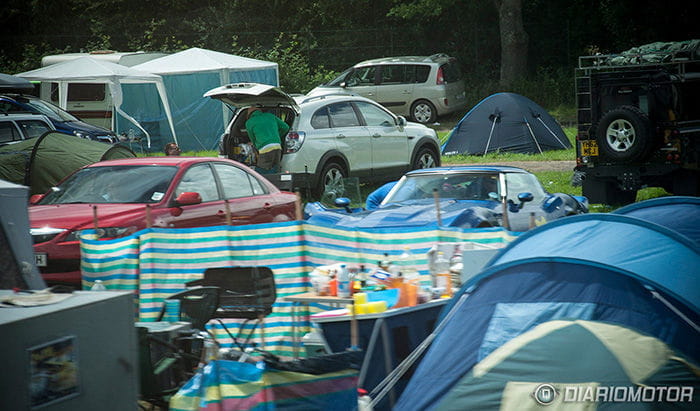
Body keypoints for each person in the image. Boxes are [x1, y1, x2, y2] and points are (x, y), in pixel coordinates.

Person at [245, 107, 289, 173]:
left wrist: (255, 147)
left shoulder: (249, 122)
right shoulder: (270, 116)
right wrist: (277, 136)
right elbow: (286, 127)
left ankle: (263, 183)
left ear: (249, 115)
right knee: (275, 170)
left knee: (261, 172)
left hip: (265, 149)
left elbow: (253, 138)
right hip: (277, 146)